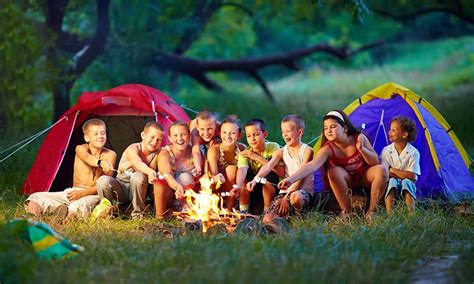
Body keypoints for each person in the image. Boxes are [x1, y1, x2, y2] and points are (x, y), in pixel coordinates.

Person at [279, 110, 388, 218]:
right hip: (348, 182)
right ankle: (347, 212)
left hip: (365, 179)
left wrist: (362, 149)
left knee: (381, 169)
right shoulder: (328, 149)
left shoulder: (358, 138)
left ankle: (372, 211)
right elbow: (312, 165)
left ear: (345, 128)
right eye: (326, 128)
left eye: (333, 127)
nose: (329, 131)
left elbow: (374, 162)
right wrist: (291, 179)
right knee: (333, 171)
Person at [25, 119, 116, 219]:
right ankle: (31, 219)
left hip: (94, 195)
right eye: (96, 134)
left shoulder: (111, 155)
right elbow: (88, 158)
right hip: (74, 192)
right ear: (87, 138)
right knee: (35, 197)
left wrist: (82, 194)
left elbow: (104, 185)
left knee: (76, 206)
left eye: (103, 133)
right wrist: (101, 163)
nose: (100, 136)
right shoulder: (80, 149)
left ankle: (63, 220)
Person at [247, 115, 313, 223]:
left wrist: (286, 198)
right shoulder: (281, 151)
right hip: (284, 192)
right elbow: (268, 166)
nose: (284, 134)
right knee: (267, 219)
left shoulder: (307, 151)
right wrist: (255, 180)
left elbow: (302, 177)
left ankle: (299, 217)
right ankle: (286, 221)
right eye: (282, 132)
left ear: (300, 132)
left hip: (301, 191)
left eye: (288, 131)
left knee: (295, 198)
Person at [96, 121, 164, 219]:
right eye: (152, 137)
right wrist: (143, 168)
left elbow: (146, 172)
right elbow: (137, 162)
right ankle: (107, 211)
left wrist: (132, 164)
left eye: (159, 140)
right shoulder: (133, 148)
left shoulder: (158, 153)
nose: (154, 142)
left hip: (140, 190)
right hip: (121, 188)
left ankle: (138, 213)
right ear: (143, 135)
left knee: (139, 176)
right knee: (102, 180)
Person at [231, 119, 285, 215]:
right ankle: (243, 211)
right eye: (248, 136)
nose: (252, 138)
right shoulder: (245, 153)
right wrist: (237, 186)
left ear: (265, 134)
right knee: (244, 179)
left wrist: (255, 157)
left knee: (268, 176)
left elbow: (280, 172)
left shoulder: (273, 147)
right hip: (252, 189)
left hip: (270, 188)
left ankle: (267, 212)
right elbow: (242, 169)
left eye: (256, 134)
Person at [154, 121, 197, 218]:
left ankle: (187, 210)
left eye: (183, 134)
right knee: (160, 179)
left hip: (188, 193)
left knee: (185, 177)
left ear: (189, 137)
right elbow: (167, 174)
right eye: (175, 135)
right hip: (170, 192)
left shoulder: (195, 152)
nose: (180, 138)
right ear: (170, 138)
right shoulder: (165, 153)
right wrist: (177, 186)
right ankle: (160, 215)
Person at [381, 116, 420, 213]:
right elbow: (384, 173)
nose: (390, 132)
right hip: (391, 184)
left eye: (393, 130)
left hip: (407, 185)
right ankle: (390, 214)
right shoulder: (386, 151)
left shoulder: (413, 152)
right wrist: (402, 174)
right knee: (392, 181)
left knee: (406, 182)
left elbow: (413, 176)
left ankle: (411, 214)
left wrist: (392, 170)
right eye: (390, 129)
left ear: (404, 134)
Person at [207, 115, 246, 209]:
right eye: (224, 132)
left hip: (235, 187)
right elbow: (213, 174)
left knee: (238, 172)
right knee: (231, 169)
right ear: (220, 133)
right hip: (216, 186)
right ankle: (219, 205)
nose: (228, 136)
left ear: (239, 135)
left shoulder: (242, 148)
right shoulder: (214, 150)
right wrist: (218, 177)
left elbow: (244, 169)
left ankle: (231, 206)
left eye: (232, 133)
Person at [190, 110, 221, 177]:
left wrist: (219, 140)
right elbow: (196, 152)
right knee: (199, 156)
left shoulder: (220, 129)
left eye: (209, 129)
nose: (206, 133)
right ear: (197, 127)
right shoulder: (195, 133)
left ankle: (214, 175)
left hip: (214, 142)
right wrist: (198, 167)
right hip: (196, 141)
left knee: (213, 149)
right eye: (202, 129)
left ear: (215, 125)